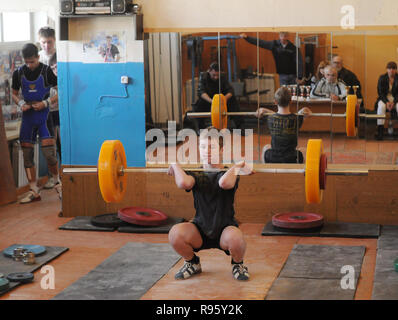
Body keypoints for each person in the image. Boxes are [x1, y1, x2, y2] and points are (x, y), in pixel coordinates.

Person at [167, 127, 252, 281]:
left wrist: (237, 166)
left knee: (237, 240)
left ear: (221, 150)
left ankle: (238, 264)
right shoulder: (196, 174)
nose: (206, 151)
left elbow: (224, 183)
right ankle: (192, 263)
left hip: (224, 230)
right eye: (203, 146)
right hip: (200, 230)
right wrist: (174, 164)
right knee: (175, 234)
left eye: (211, 147)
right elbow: (183, 183)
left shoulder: (229, 173)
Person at [11, 43, 61, 203]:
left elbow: (61, 90)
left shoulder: (46, 71)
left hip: (44, 116)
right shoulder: (18, 73)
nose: (29, 65)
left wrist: (46, 103)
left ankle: (58, 183)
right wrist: (20, 104)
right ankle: (33, 189)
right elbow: (14, 93)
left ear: (38, 57)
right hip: (28, 116)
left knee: (49, 154)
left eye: (32, 61)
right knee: (27, 155)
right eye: (27, 62)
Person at [256, 87, 311, 163]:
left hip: (273, 158)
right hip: (292, 158)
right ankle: (300, 173)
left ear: (275, 102)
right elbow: (306, 113)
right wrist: (304, 109)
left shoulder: (270, 118)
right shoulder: (296, 119)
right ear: (291, 101)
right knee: (303, 150)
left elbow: (274, 115)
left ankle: (267, 171)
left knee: (266, 147)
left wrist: (264, 109)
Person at [192, 62, 242, 132]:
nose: (216, 77)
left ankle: (240, 127)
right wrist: (212, 101)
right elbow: (201, 92)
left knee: (233, 101)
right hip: (209, 101)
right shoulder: (203, 76)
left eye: (217, 75)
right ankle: (200, 129)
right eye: (214, 75)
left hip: (221, 102)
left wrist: (224, 99)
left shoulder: (222, 76)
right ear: (209, 71)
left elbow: (230, 91)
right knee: (198, 105)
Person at [374, 61, 398, 140]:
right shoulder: (382, 78)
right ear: (387, 69)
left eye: (393, 68)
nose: (391, 70)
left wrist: (394, 103)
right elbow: (380, 93)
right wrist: (387, 102)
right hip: (384, 98)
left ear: (396, 70)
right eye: (389, 68)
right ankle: (380, 130)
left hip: (396, 99)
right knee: (381, 107)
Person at [48, 53, 61, 164]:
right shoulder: (51, 81)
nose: (55, 70)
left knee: (62, 144)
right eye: (53, 68)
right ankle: (55, 176)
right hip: (51, 113)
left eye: (57, 66)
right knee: (53, 145)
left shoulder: (65, 80)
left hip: (61, 113)